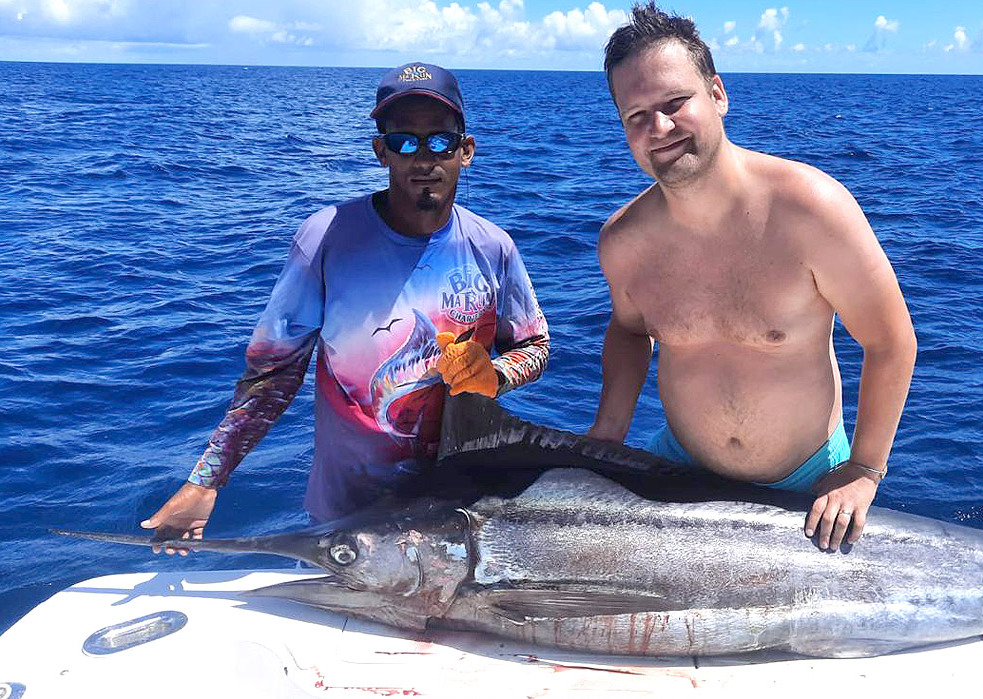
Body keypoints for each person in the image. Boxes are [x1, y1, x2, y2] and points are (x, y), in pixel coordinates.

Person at [143, 63, 549, 551]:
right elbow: (274, 375)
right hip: (347, 526)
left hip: (456, 521)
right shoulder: (326, 238)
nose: (424, 158)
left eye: (440, 141)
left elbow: (534, 345)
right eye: (404, 141)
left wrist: (496, 375)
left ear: (466, 151)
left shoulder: (493, 247)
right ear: (381, 152)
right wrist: (204, 482)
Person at [587, 4, 916, 552]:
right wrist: (607, 437)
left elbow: (891, 341)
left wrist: (864, 469)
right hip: (680, 469)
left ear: (717, 94)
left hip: (808, 483)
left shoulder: (813, 210)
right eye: (636, 116)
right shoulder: (623, 241)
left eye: (674, 103)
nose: (659, 128)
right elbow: (628, 330)